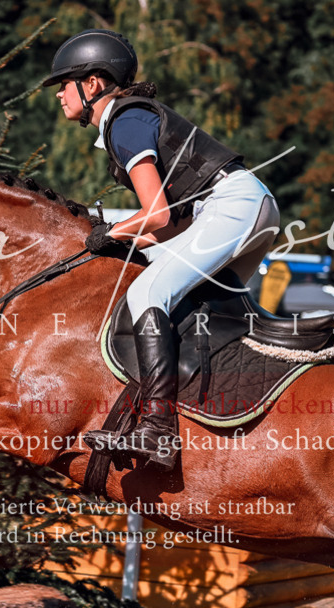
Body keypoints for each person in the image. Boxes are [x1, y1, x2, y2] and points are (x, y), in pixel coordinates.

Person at [43, 29, 280, 470]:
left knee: (147, 294)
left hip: (232, 207)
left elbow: (156, 214)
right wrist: (123, 241)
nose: (59, 94)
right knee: (191, 296)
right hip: (245, 206)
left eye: (64, 83)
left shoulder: (124, 121)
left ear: (92, 84)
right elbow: (168, 227)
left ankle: (157, 429)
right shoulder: (131, 119)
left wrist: (112, 231)